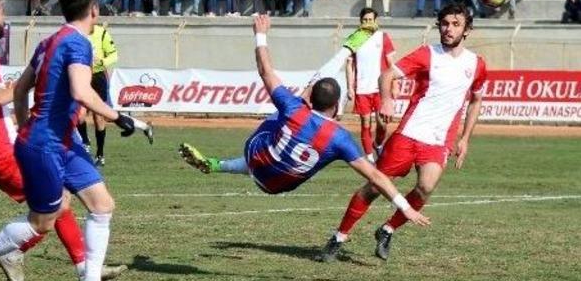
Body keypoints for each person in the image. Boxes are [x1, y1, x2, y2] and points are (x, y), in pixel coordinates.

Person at [0, 0, 152, 281]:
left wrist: (24, 125)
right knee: (43, 221)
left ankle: (87, 275)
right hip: (45, 144)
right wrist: (119, 117)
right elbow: (81, 91)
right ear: (95, 11)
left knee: (102, 205)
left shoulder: (48, 42)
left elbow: (21, 89)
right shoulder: (80, 43)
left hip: (60, 140)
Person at [178, 14, 429, 232]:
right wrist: (404, 207)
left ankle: (342, 53)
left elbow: (266, 71)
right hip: (278, 184)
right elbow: (376, 175)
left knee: (281, 119)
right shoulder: (340, 138)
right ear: (337, 106)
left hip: (258, 158)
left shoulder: (294, 107)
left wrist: (261, 36)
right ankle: (215, 165)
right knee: (284, 137)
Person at [320, 3, 484, 262]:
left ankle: (387, 230)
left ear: (467, 30)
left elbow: (476, 100)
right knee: (374, 187)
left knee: (426, 187)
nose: (448, 29)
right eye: (445, 23)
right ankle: (339, 237)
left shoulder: (476, 64)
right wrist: (386, 99)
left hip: (439, 141)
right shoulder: (427, 54)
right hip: (409, 134)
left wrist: (464, 138)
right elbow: (387, 75)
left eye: (455, 24)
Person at [345, 8, 396, 161]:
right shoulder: (354, 39)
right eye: (364, 20)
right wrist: (350, 87)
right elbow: (349, 65)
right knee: (365, 123)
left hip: (380, 89)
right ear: (360, 22)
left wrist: (394, 85)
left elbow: (391, 64)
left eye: (370, 20)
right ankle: (369, 158)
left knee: (383, 124)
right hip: (362, 89)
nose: (367, 22)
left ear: (376, 21)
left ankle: (378, 145)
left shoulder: (383, 37)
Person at [77, 23, 119, 167]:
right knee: (79, 114)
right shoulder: (76, 32)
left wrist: (102, 61)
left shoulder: (101, 33)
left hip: (98, 76)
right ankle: (85, 141)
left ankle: (100, 154)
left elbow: (114, 55)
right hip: (81, 75)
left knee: (98, 116)